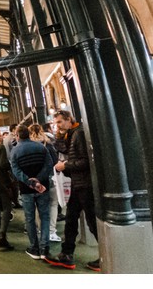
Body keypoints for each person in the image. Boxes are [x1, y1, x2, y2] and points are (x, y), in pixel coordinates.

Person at [46, 110, 100, 271]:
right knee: (70, 219)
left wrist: (66, 165)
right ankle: (66, 254)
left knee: (91, 222)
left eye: (60, 122)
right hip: (79, 184)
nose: (58, 126)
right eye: (56, 123)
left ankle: (106, 254)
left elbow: (85, 161)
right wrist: (59, 134)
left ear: (69, 119)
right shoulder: (72, 133)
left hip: (85, 185)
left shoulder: (79, 134)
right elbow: (65, 149)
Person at [11, 124, 53, 261]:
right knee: (45, 217)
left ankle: (34, 248)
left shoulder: (15, 151)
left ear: (17, 135)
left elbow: (16, 171)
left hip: (26, 189)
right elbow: (49, 164)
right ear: (28, 134)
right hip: (43, 187)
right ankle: (45, 248)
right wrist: (39, 180)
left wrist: (30, 182)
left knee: (30, 219)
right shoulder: (41, 147)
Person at [29, 124, 61, 243]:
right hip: (50, 178)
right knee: (53, 203)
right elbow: (55, 162)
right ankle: (51, 231)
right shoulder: (48, 145)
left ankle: (41, 229)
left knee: (39, 205)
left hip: (35, 181)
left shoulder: (29, 146)